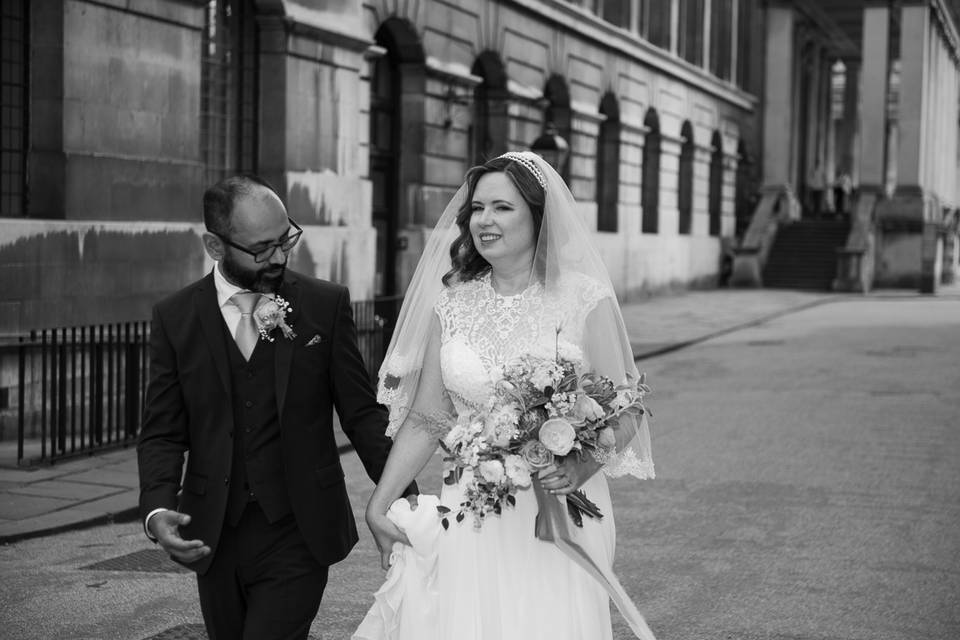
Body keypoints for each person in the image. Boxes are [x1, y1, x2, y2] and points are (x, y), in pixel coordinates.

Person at [355, 152, 656, 640]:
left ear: (540, 215)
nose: (484, 220)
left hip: (560, 508)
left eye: (502, 207)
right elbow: (429, 417)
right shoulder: (451, 303)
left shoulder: (583, 299)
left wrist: (584, 462)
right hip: (472, 505)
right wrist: (379, 502)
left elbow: (629, 405)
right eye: (477, 208)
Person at [137, 174, 415, 640]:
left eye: (285, 239)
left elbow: (362, 415)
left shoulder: (325, 305)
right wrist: (157, 509)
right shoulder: (175, 317)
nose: (281, 256)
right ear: (215, 245)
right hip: (213, 533)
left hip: (298, 529)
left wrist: (407, 500)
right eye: (262, 248)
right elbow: (163, 431)